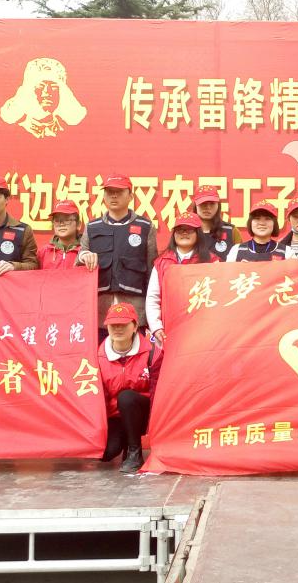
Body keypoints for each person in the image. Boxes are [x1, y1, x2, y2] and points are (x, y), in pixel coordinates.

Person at [77, 175, 159, 328]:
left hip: (135, 312)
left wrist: (152, 313)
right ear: (103, 196)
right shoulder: (92, 227)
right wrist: (83, 255)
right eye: (109, 192)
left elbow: (152, 272)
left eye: (119, 191)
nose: (113, 196)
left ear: (131, 196)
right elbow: (79, 262)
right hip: (99, 313)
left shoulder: (146, 227)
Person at [97, 302, 162, 474]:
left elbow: (158, 390)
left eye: (123, 324)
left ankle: (134, 451)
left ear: (134, 326)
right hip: (115, 416)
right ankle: (124, 440)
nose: (117, 329)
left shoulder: (152, 352)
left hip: (143, 413)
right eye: (113, 324)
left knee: (126, 397)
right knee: (105, 453)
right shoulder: (97, 357)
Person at [146, 212, 215, 344]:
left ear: (198, 233)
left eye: (189, 230)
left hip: (202, 329)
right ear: (174, 234)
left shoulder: (211, 261)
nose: (184, 233)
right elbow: (153, 298)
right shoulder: (161, 262)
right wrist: (156, 327)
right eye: (180, 230)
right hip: (169, 328)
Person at [192, 184, 238, 262]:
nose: (208, 207)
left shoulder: (231, 231)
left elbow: (240, 261)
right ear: (195, 205)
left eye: (212, 203)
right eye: (203, 203)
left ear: (218, 205)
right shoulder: (187, 232)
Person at [38, 200, 84, 269]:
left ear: (78, 224)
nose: (61, 224)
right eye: (57, 220)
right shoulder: (43, 252)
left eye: (67, 219)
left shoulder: (86, 252)